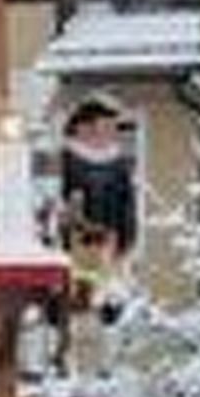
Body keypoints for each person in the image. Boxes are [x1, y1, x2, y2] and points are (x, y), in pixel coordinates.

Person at [58, 94, 136, 316]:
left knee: (106, 281)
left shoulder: (118, 163)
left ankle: (107, 303)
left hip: (109, 239)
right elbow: (61, 198)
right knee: (82, 281)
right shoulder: (68, 159)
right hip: (78, 239)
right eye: (104, 126)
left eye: (112, 128)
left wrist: (127, 235)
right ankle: (78, 300)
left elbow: (126, 201)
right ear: (84, 128)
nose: (109, 132)